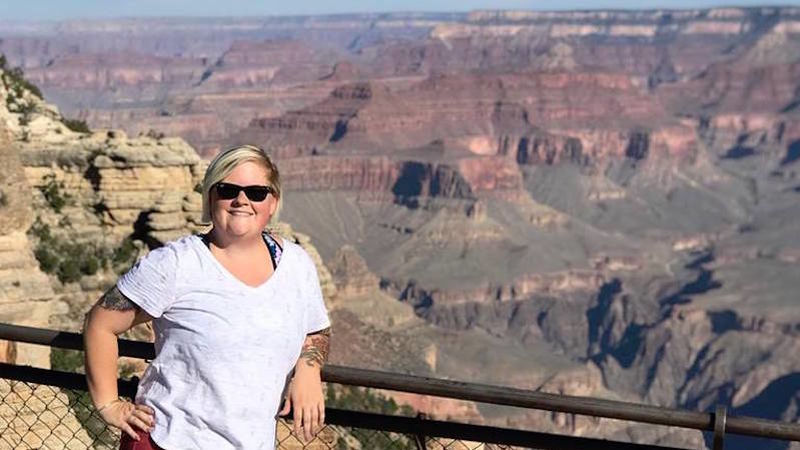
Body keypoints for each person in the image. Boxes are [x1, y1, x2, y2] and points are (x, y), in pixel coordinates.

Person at [83, 144, 332, 449]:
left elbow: (317, 329)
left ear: (273, 201)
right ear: (211, 196)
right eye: (228, 190)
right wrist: (108, 403)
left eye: (256, 192)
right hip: (170, 440)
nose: (242, 200)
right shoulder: (175, 263)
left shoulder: (297, 264)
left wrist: (308, 370)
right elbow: (100, 323)